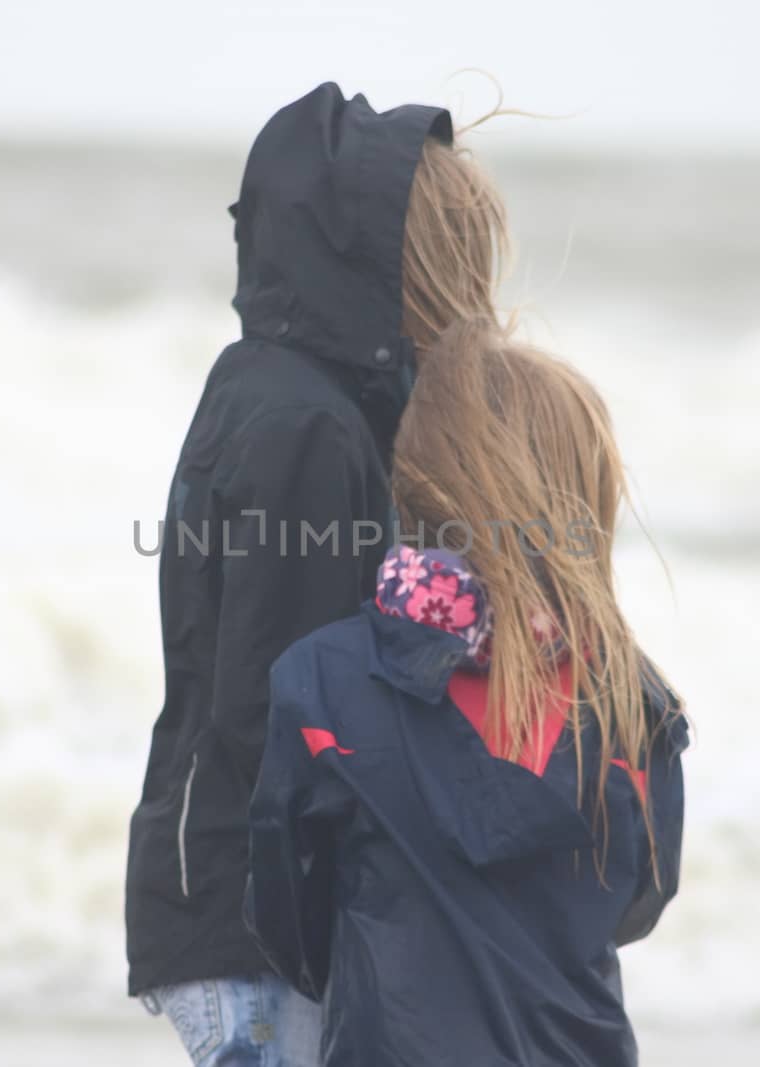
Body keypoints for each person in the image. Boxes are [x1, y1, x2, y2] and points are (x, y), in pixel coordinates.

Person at [125, 83, 509, 1065]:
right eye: (451, 254)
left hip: (235, 894)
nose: (470, 291)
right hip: (250, 918)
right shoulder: (305, 423)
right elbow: (284, 705)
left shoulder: (293, 388)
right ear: (376, 258)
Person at [246, 320, 690, 1067]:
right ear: (587, 506)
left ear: (416, 485)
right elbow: (640, 902)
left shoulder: (323, 682)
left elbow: (286, 918)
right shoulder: (634, 705)